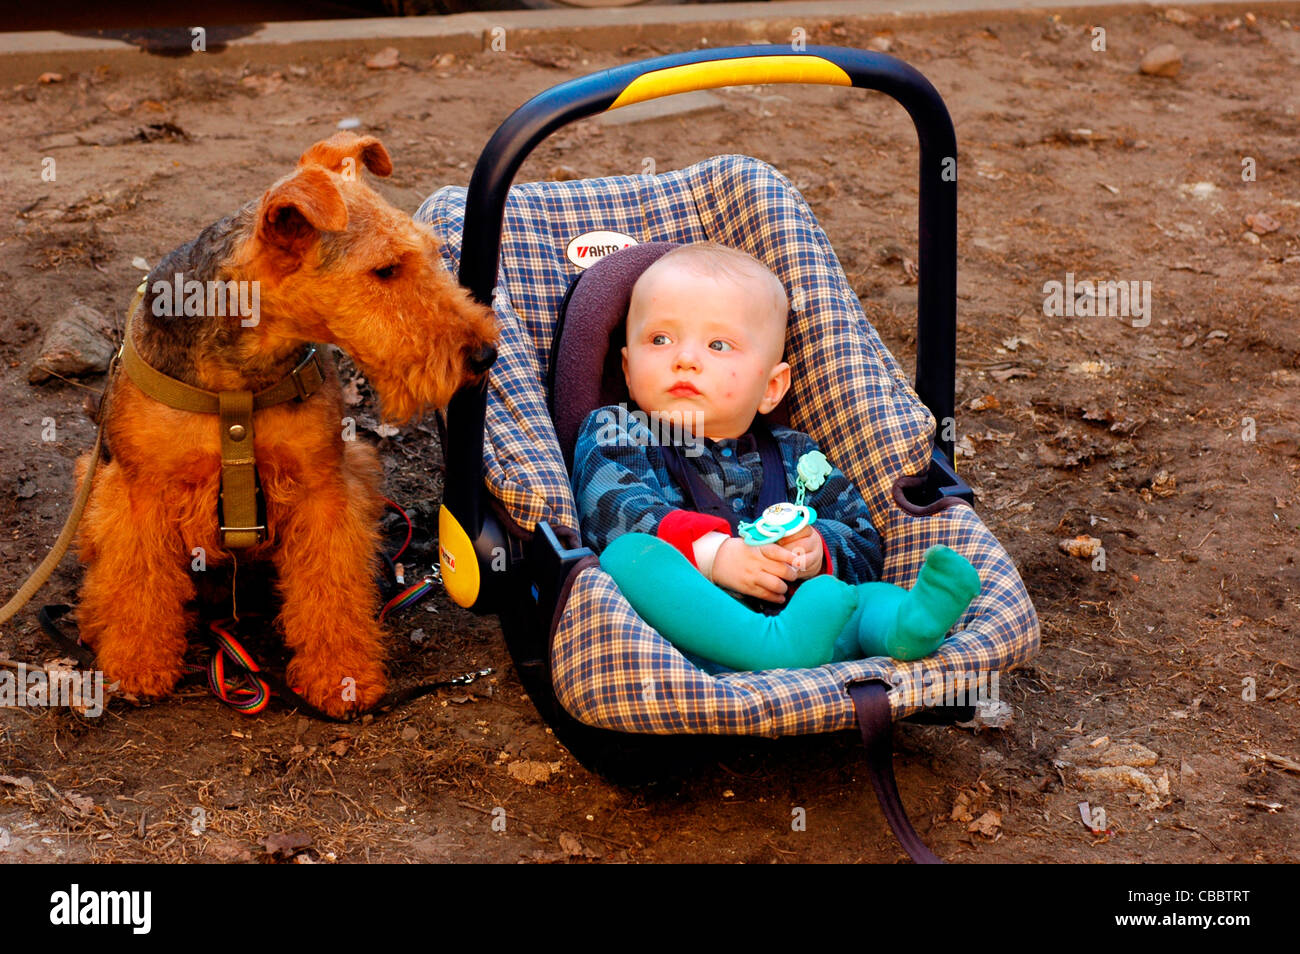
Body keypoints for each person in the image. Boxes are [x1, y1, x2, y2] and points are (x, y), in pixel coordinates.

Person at [570, 242, 980, 673]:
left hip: (811, 631)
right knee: (629, 556)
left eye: (718, 345)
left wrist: (813, 552)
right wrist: (717, 555)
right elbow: (611, 512)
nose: (685, 359)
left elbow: (864, 540)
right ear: (629, 370)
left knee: (863, 598)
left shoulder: (795, 454)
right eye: (660, 339)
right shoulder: (618, 430)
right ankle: (769, 648)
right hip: (688, 635)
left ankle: (904, 628)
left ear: (771, 388)